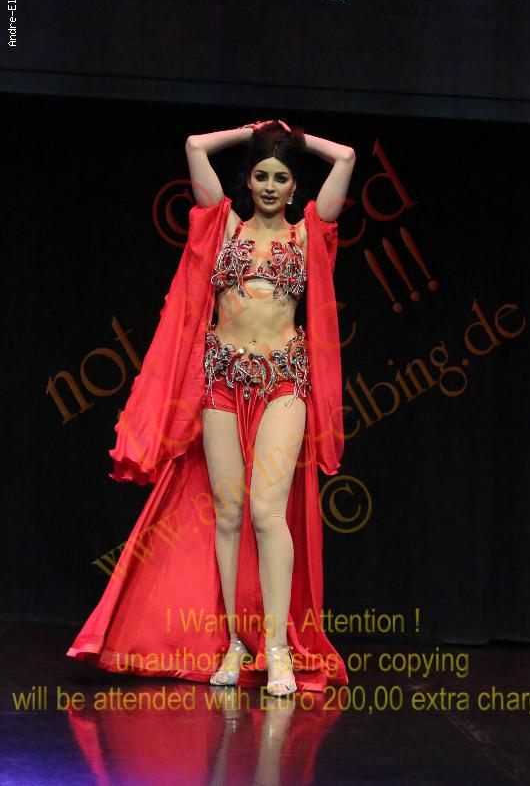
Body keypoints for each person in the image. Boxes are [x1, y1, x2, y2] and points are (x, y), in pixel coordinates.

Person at [66, 119, 355, 696]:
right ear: (248, 180)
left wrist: (292, 137)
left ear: (294, 187)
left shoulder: (308, 235)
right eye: (261, 175)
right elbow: (195, 145)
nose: (270, 186)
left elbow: (345, 157)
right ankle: (235, 643)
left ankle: (277, 649)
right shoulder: (222, 226)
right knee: (227, 513)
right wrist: (250, 131)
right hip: (221, 383)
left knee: (266, 511)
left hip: (283, 384)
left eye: (280, 178)